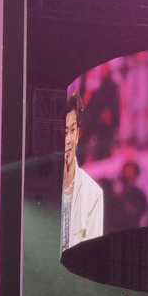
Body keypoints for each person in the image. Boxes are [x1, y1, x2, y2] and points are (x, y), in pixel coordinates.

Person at [62, 92, 104, 252]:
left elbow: (93, 253)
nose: (68, 140)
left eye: (72, 131)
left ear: (78, 134)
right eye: (64, 132)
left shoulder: (93, 193)